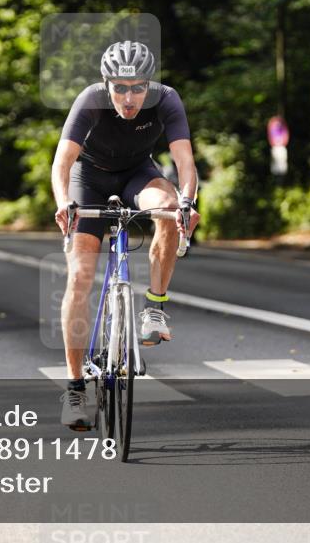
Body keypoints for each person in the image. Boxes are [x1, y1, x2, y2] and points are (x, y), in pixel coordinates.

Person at [51, 40, 200, 430]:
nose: (129, 97)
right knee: (80, 277)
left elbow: (185, 161)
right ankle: (75, 388)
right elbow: (62, 162)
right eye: (120, 87)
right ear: (106, 84)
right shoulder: (90, 100)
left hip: (138, 172)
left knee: (167, 212)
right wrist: (64, 202)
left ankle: (154, 306)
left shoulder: (166, 100)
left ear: (149, 85)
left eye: (138, 87)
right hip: (90, 178)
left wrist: (185, 202)